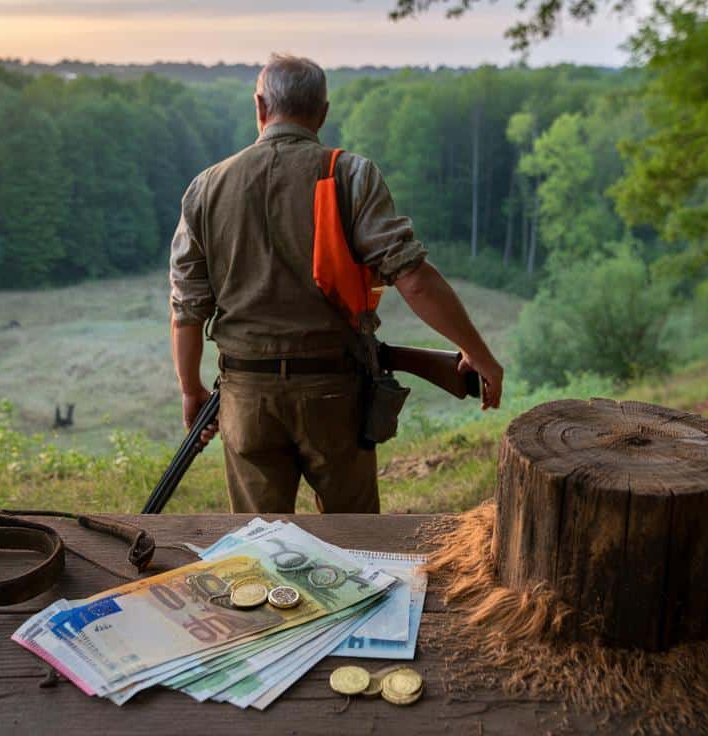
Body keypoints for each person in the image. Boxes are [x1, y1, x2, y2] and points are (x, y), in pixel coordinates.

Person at [169, 53, 504, 514]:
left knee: (258, 546)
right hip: (335, 395)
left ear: (260, 106)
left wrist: (191, 389)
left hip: (247, 396)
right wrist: (478, 352)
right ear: (323, 113)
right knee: (355, 545)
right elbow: (414, 280)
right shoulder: (350, 175)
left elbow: (187, 308)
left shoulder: (205, 187)